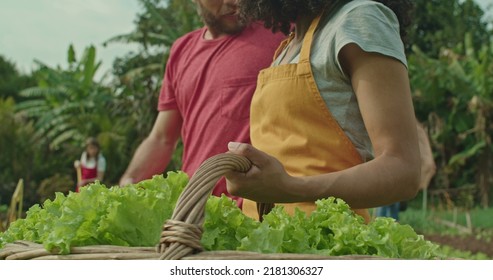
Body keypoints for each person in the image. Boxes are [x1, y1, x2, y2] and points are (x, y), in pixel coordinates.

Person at [225, 0, 421, 223]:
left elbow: (403, 169)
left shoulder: (359, 18)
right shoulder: (288, 46)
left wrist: (289, 188)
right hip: (264, 241)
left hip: (324, 243)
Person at [118, 0, 285, 208]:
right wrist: (128, 182)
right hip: (194, 210)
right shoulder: (182, 50)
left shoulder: (280, 33)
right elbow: (161, 139)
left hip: (253, 210)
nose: (233, 2)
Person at [376, 122, 437, 221]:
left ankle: (386, 228)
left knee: (389, 206)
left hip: (395, 179)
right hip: (391, 177)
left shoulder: (412, 130)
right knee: (386, 206)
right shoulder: (407, 130)